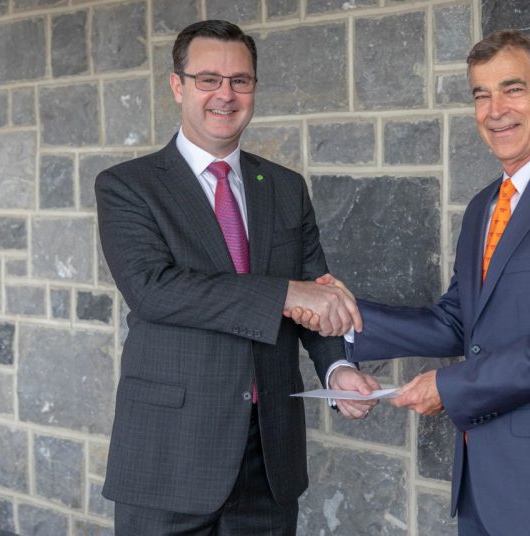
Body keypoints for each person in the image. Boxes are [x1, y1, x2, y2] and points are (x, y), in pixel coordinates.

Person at [292, 30, 530, 535]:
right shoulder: (484, 206)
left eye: (512, 89)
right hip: (482, 481)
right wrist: (344, 319)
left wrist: (449, 387)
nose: (495, 109)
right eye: (481, 94)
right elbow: (459, 321)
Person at [95, 20, 378, 535]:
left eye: (240, 81)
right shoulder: (128, 187)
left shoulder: (285, 187)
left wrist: (337, 371)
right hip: (169, 456)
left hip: (266, 459)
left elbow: (319, 294)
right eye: (208, 79)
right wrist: (285, 293)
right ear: (177, 86)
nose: (225, 94)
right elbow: (154, 290)